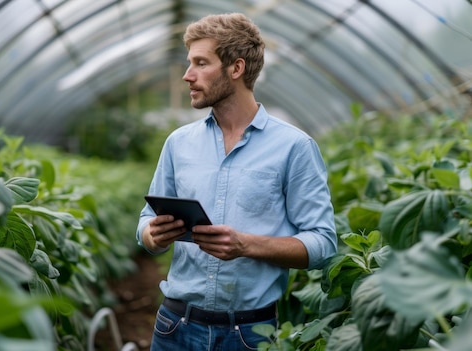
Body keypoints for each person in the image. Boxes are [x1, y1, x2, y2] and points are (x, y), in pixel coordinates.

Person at [136, 12, 337, 351]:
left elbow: (322, 244)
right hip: (174, 328)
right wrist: (152, 235)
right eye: (190, 63)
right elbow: (144, 222)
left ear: (236, 68)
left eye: (201, 63)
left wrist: (246, 245)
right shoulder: (178, 143)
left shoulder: (294, 147)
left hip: (249, 335)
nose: (188, 76)